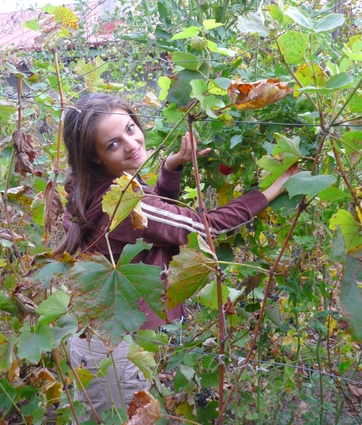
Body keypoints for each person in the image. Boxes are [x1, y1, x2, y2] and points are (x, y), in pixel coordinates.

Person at [55, 92, 297, 420]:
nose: (131, 143)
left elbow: (156, 220)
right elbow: (200, 226)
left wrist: (170, 167)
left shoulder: (93, 188)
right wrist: (271, 191)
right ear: (94, 156)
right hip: (117, 351)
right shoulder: (125, 205)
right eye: (113, 144)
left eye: (130, 128)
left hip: (101, 341)